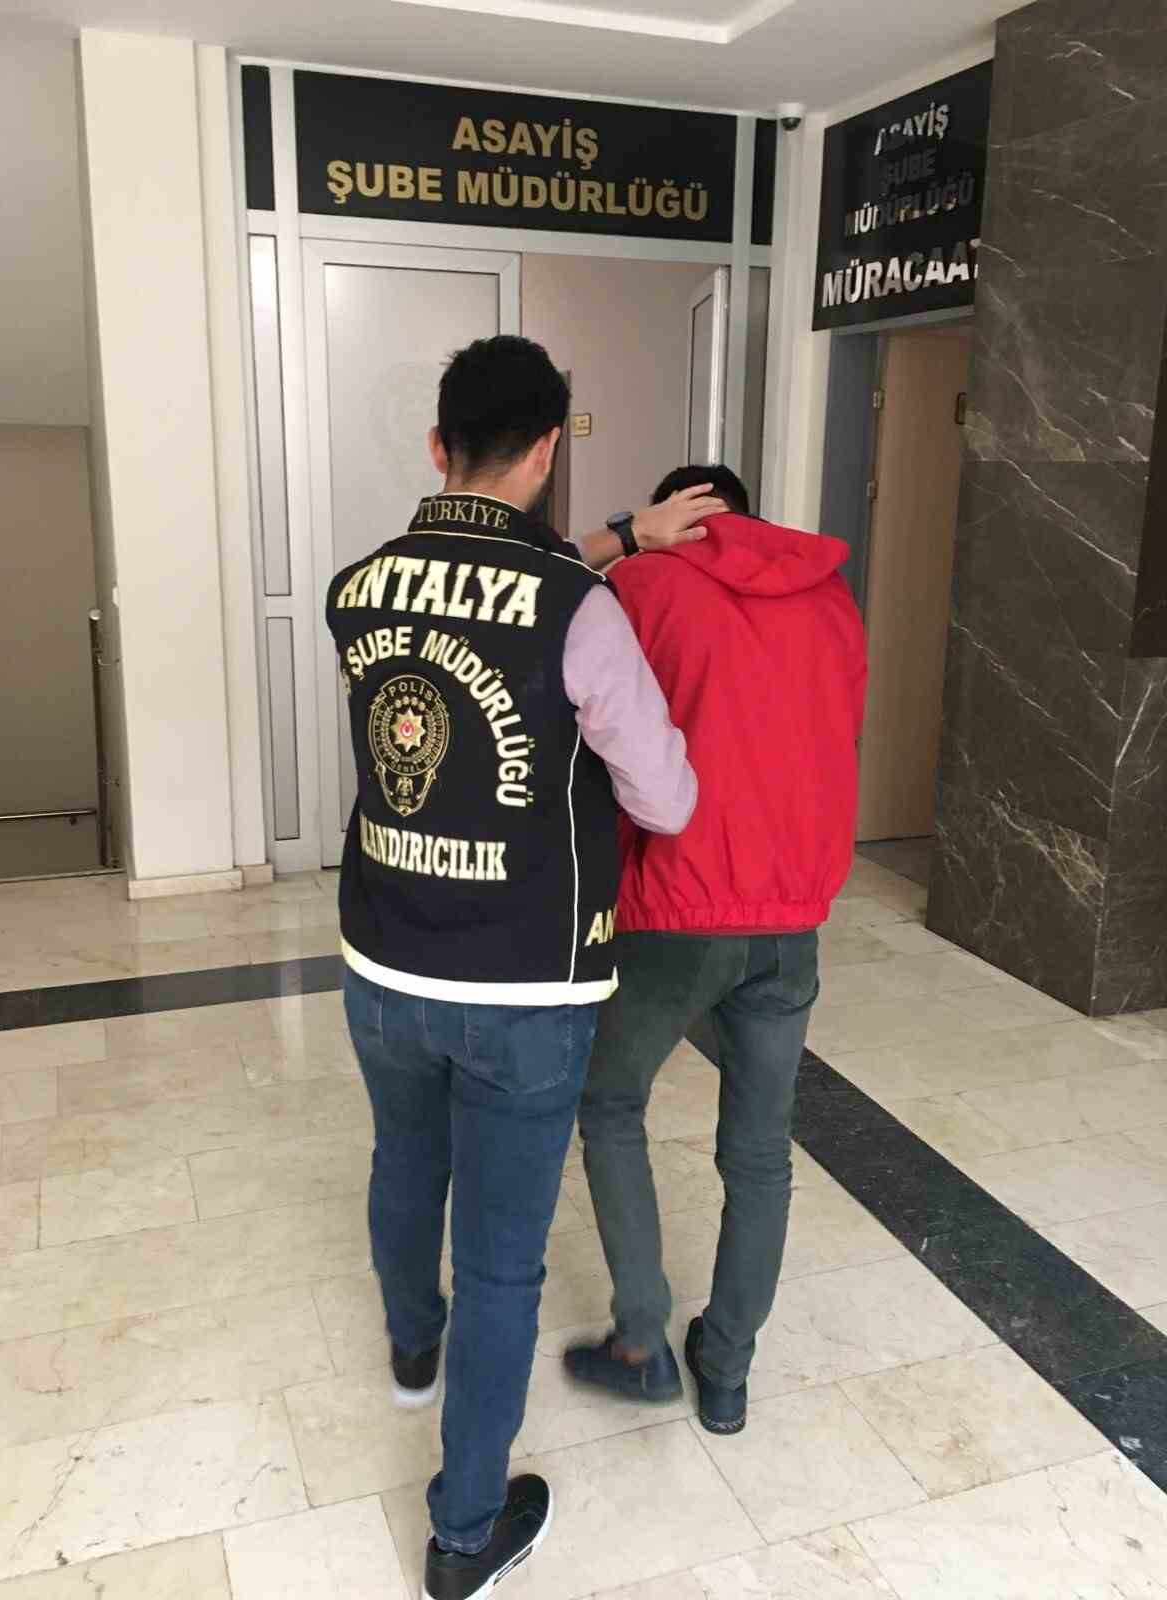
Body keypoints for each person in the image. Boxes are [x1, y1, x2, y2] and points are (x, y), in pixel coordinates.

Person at [327, 336, 705, 1600]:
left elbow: (481, 585)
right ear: (548, 450)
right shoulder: (579, 606)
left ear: (438, 444)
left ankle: (411, 1350)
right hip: (527, 989)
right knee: (502, 1258)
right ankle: (465, 1530)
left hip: (384, 962)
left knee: (403, 1160)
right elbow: (664, 794)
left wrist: (619, 538)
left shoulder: (357, 590)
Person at [565, 463, 867, 1436]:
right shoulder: (829, 596)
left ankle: (641, 1340)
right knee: (761, 1147)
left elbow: (594, 739)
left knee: (612, 1099)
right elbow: (838, 733)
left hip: (679, 902)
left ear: (672, 515)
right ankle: (727, 1369)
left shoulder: (640, 585)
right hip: (792, 916)